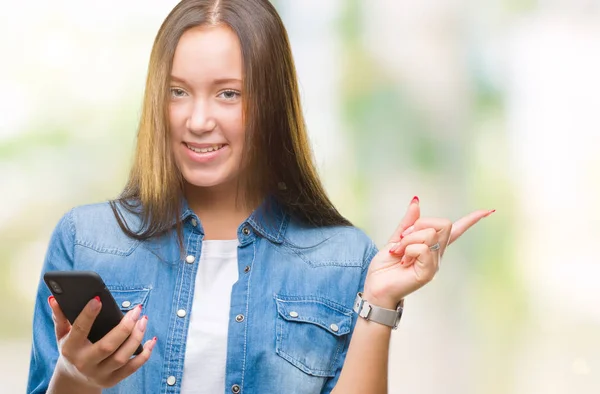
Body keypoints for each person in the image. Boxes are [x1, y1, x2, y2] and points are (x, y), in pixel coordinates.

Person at [26, 1, 493, 393]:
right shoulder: (86, 240)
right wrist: (73, 377)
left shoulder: (344, 260)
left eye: (228, 94)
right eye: (178, 92)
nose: (198, 119)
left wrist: (379, 302)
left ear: (270, 102)